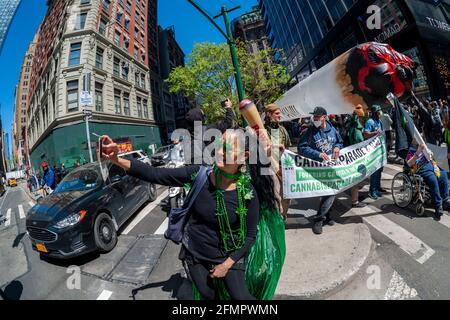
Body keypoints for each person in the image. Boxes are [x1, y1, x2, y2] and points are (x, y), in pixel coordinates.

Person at [101, 130, 280, 300]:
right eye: (219, 144)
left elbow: (250, 236)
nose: (219, 151)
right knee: (207, 294)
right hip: (196, 252)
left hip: (229, 253)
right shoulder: (199, 174)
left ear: (244, 157)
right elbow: (156, 173)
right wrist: (117, 160)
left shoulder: (248, 193)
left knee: (240, 297)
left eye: (226, 148)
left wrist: (227, 264)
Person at [298, 106, 344, 235]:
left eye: (318, 116)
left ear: (325, 117)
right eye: (315, 116)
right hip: (317, 167)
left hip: (331, 166)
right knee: (329, 191)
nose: (315, 119)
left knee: (329, 191)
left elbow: (340, 142)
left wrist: (337, 147)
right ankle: (319, 219)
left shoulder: (333, 130)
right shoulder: (310, 131)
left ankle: (326, 216)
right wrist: (317, 154)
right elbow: (302, 148)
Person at [406, 141, 450, 220]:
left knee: (443, 175)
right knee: (432, 179)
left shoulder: (425, 148)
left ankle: (445, 200)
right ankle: (438, 205)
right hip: (422, 169)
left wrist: (431, 154)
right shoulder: (412, 149)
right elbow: (409, 164)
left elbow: (433, 158)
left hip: (432, 166)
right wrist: (418, 151)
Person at [264, 103, 292, 220]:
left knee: (287, 195)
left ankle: (284, 215)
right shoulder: (262, 131)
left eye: (280, 113)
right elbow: (260, 149)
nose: (279, 116)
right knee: (276, 195)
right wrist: (275, 146)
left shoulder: (282, 130)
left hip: (283, 166)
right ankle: (278, 218)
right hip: (269, 167)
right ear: (268, 114)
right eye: (277, 113)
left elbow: (288, 149)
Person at [346, 105, 367, 208]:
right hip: (356, 157)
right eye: (362, 118)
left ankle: (356, 196)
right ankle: (354, 201)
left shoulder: (351, 126)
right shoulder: (357, 130)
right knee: (356, 178)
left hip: (351, 156)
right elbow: (360, 143)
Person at [364, 105, 386, 200]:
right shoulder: (370, 122)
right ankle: (372, 191)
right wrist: (375, 133)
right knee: (375, 171)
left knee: (380, 169)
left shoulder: (379, 121)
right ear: (374, 112)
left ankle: (377, 187)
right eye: (378, 111)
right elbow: (365, 134)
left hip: (380, 148)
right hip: (373, 150)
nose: (380, 112)